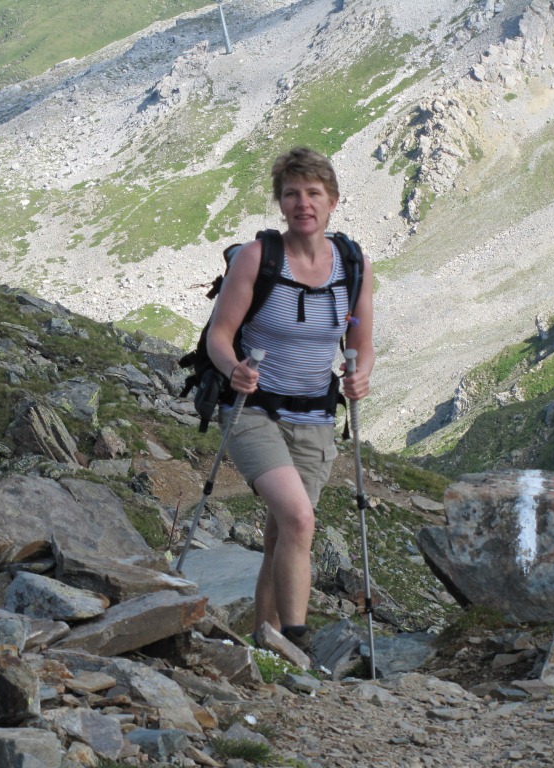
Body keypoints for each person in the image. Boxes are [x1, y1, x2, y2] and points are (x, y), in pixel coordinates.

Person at [205, 146, 374, 651]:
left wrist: (360, 375)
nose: (303, 203)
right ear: (280, 203)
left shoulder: (352, 263)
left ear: (333, 202)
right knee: (300, 518)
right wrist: (233, 368)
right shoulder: (259, 258)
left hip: (316, 418)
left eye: (313, 193)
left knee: (283, 537)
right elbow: (220, 334)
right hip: (253, 411)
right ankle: (298, 645)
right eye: (292, 193)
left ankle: (266, 645)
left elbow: (361, 343)